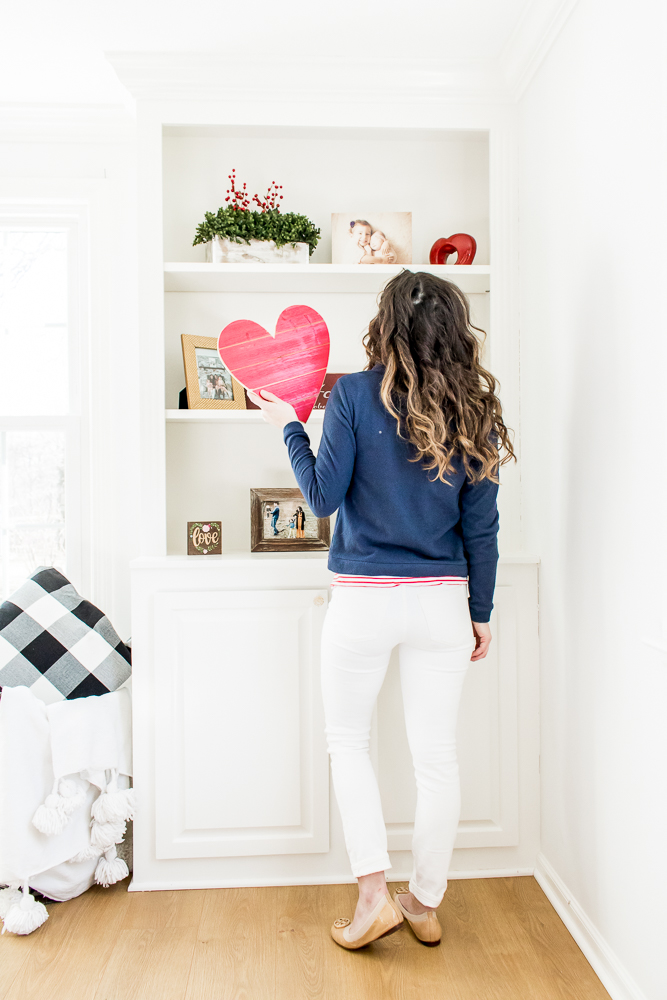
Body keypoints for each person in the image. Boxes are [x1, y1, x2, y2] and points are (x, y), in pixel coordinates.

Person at [248, 270, 515, 951]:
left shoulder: (355, 396)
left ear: (384, 323)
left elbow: (321, 497)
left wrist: (288, 426)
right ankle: (423, 903)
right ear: (453, 328)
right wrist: (478, 611)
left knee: (348, 745)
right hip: (443, 606)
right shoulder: (473, 407)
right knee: (437, 759)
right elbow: (480, 528)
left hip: (362, 604)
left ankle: (373, 898)